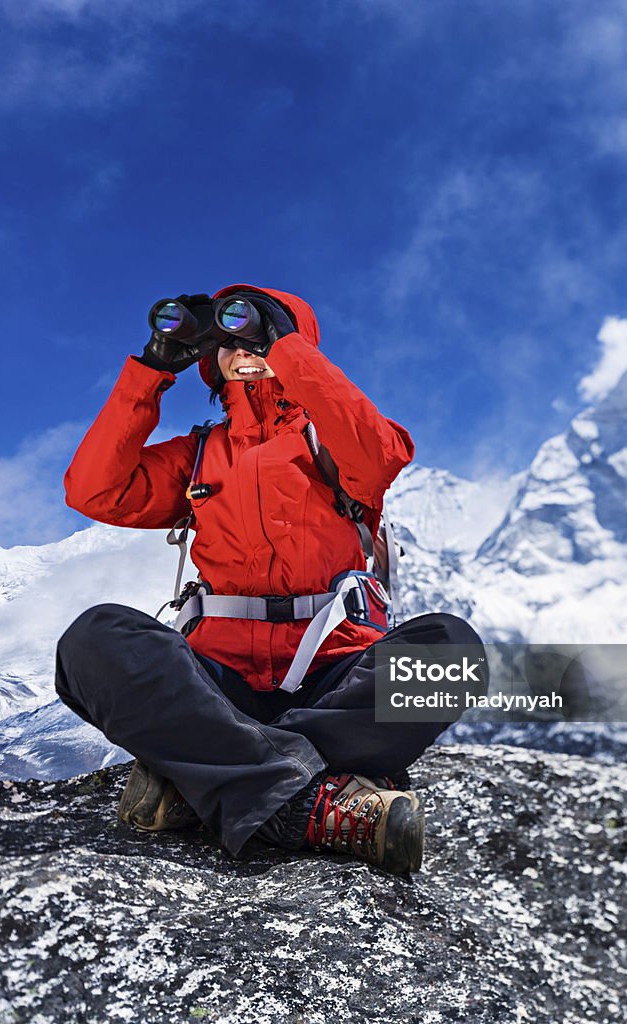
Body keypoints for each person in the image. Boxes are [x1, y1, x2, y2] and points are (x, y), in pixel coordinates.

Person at [54, 284, 485, 876]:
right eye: (224, 341)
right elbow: (95, 490)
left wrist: (286, 347)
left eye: (254, 332)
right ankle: (314, 801)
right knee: (94, 639)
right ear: (210, 361)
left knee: (450, 650)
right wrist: (151, 369)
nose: (241, 347)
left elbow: (379, 453)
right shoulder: (198, 455)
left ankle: (209, 778)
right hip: (220, 686)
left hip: (332, 678)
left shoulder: (333, 441)